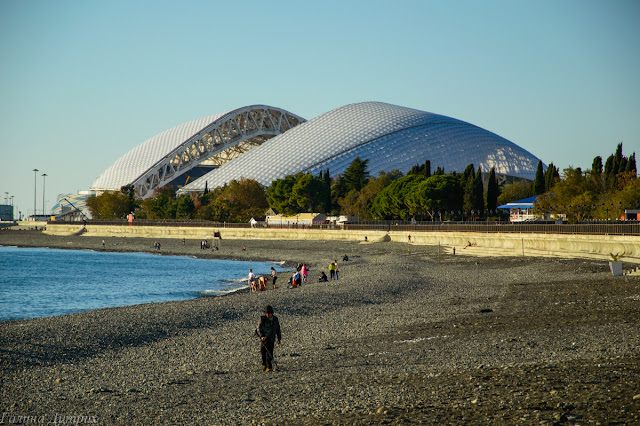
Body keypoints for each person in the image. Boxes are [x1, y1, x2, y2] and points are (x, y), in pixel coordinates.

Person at [258, 305, 281, 372]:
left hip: (271, 338)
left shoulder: (275, 319)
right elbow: (259, 328)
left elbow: (278, 329)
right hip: (264, 338)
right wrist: (261, 336)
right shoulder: (262, 319)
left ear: (272, 313)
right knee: (263, 352)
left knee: (270, 353)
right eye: (267, 313)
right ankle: (264, 365)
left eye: (269, 313)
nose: (268, 315)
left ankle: (269, 366)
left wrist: (279, 338)